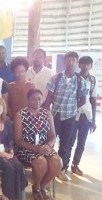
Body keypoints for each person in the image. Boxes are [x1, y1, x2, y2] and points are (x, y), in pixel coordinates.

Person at [43, 51, 87, 181]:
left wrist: (72, 107)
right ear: (65, 61)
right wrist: (45, 112)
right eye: (68, 60)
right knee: (49, 140)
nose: (70, 62)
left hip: (70, 117)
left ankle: (61, 169)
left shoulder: (81, 81)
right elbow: (49, 98)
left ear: (77, 63)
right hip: (55, 115)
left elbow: (84, 100)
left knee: (66, 144)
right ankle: (46, 166)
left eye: (73, 60)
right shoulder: (56, 78)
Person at [14, 89, 62, 200]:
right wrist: (36, 148)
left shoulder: (47, 113)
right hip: (26, 148)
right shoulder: (20, 114)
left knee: (57, 162)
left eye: (39, 99)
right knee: (41, 162)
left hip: (44, 147)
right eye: (33, 99)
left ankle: (42, 186)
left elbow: (53, 135)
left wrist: (48, 146)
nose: (37, 101)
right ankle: (35, 187)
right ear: (28, 100)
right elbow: (18, 140)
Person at [69, 56, 99, 176]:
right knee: (69, 140)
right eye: (83, 64)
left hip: (86, 115)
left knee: (81, 142)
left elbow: (93, 100)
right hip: (73, 114)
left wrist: (93, 120)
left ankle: (75, 164)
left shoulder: (93, 80)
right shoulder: (74, 78)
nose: (85, 66)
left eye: (88, 64)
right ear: (79, 65)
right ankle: (64, 165)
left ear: (91, 66)